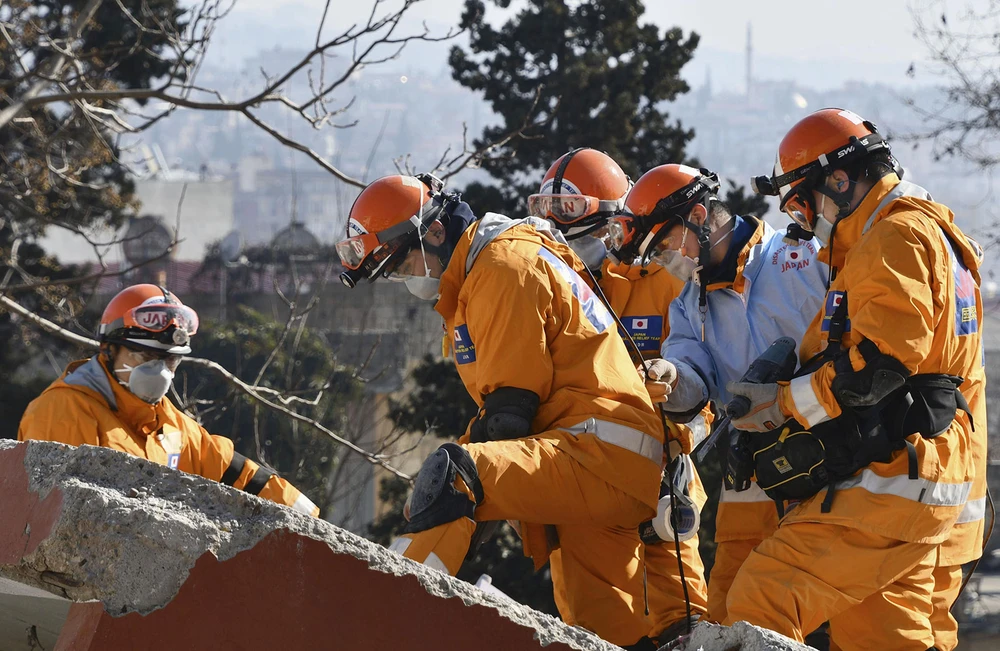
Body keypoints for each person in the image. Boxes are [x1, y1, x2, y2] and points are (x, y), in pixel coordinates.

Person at [335, 173, 673, 649]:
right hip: (612, 456)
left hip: (595, 452)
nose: (406, 278)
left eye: (403, 263)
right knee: (609, 635)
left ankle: (386, 618)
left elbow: (509, 413)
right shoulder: (498, 262)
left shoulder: (501, 265)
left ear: (433, 232)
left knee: (453, 474)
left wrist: (453, 503)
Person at [724, 108, 985, 651]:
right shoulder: (935, 236)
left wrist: (780, 406)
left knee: (762, 597)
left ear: (839, 180)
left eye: (800, 199)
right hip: (928, 478)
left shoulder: (893, 237)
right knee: (889, 640)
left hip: (893, 477)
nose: (800, 218)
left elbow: (876, 372)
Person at [611, 163, 829, 629]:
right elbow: (695, 376)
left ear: (697, 216)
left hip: (832, 459)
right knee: (730, 611)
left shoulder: (803, 260)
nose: (665, 262)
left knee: (833, 615)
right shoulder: (688, 304)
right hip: (752, 469)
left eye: (665, 245)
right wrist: (671, 375)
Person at [527, 148, 708, 645]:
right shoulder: (543, 290)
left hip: (664, 480)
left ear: (615, 220)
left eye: (570, 213)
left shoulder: (669, 280)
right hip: (586, 479)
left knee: (686, 624)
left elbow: (702, 383)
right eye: (547, 213)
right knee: (598, 626)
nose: (557, 230)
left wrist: (683, 438)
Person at [19, 284, 319, 517]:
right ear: (108, 350)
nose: (159, 371)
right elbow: (60, 515)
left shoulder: (171, 424)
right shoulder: (62, 412)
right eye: (146, 356)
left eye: (169, 360)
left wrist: (308, 518)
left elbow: (240, 475)